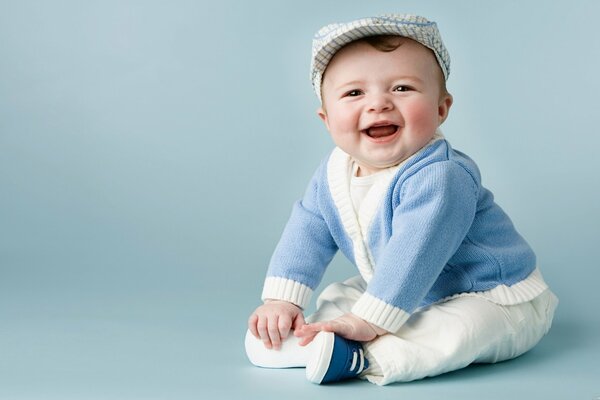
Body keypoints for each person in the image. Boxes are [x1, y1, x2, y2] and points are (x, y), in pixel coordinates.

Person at [245, 14, 558, 386]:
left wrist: (368, 321)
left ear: (441, 108)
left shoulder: (441, 175)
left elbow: (415, 251)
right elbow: (308, 229)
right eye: (354, 93)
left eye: (402, 88)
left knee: (463, 329)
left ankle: (364, 356)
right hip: (408, 288)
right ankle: (311, 337)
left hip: (494, 296)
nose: (379, 104)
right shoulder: (334, 173)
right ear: (327, 119)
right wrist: (283, 301)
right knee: (340, 294)